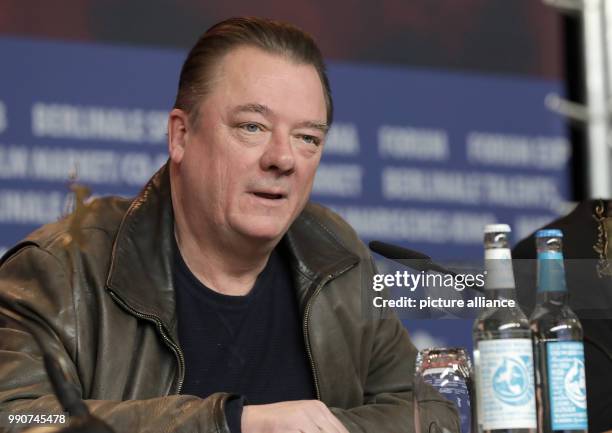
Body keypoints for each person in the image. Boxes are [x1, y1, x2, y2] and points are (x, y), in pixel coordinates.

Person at [0, 17, 459, 433]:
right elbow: (16, 414)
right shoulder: (61, 268)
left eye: (307, 138)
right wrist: (233, 424)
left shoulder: (335, 255)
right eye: (252, 127)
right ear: (181, 135)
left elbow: (433, 411)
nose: (283, 158)